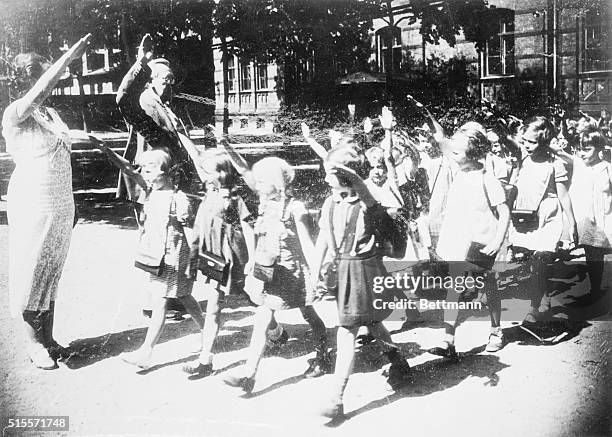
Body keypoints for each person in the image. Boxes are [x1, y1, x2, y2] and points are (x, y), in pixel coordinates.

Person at [2, 34, 91, 369]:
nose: (52, 85)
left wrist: (72, 202)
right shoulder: (16, 112)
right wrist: (68, 57)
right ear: (30, 80)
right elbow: (39, 90)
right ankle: (33, 344)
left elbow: (62, 156)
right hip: (32, 200)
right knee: (31, 269)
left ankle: (50, 339)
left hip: (59, 200)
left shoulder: (50, 114)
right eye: (45, 76)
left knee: (52, 269)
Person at [311, 146, 412, 419]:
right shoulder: (330, 203)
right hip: (343, 270)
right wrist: (314, 274)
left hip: (363, 271)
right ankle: (397, 359)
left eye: (330, 173)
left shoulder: (367, 202)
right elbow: (323, 240)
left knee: (347, 333)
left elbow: (367, 197)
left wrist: (353, 175)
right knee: (372, 322)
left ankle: (336, 398)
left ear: (346, 175)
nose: (324, 178)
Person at [222, 155, 331, 393]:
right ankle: (249, 373)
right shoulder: (265, 205)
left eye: (262, 181)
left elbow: (307, 245)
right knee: (263, 316)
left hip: (293, 273)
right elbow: (245, 172)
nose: (257, 185)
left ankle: (323, 355)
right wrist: (228, 148)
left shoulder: (295, 208)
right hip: (270, 273)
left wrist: (317, 274)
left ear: (276, 183)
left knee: (309, 314)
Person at [95, 144, 205, 370]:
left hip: (176, 258)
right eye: (143, 169)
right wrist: (106, 150)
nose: (144, 172)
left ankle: (146, 352)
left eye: (150, 168)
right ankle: (207, 330)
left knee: (161, 303)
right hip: (158, 258)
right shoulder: (151, 190)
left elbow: (189, 232)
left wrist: (194, 260)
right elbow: (128, 169)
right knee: (184, 296)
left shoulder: (178, 199)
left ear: (167, 173)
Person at [430, 127, 511, 355]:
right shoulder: (459, 171)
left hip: (483, 242)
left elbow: (504, 213)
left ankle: (496, 330)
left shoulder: (488, 179)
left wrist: (497, 241)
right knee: (454, 290)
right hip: (460, 242)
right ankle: (448, 340)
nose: (451, 156)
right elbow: (442, 142)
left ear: (473, 153)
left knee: (489, 287)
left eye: (457, 153)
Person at [182, 149, 255, 377]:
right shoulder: (209, 189)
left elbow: (247, 227)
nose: (204, 174)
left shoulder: (234, 196)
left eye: (209, 171)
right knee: (214, 307)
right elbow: (196, 158)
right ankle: (206, 359)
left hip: (234, 255)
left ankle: (275, 331)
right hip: (214, 255)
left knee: (253, 297)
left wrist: (252, 259)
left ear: (222, 173)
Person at [510, 116, 578, 323]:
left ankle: (533, 308)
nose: (527, 145)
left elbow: (563, 195)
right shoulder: (522, 159)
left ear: (545, 141)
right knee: (534, 264)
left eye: (532, 142)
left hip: (549, 217)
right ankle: (544, 297)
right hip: (528, 217)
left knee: (540, 260)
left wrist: (572, 222)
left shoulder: (554, 164)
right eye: (525, 141)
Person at [570, 128, 612, 307]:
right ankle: (595, 290)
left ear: (599, 148)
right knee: (593, 257)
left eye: (587, 148)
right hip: (587, 220)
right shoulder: (579, 167)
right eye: (579, 148)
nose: (581, 152)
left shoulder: (607, 168)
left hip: (606, 218)